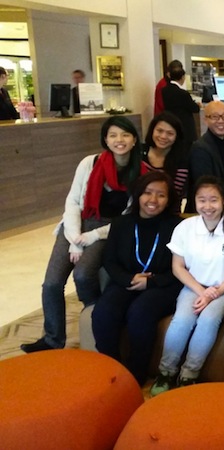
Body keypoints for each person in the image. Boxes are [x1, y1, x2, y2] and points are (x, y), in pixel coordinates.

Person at [21, 116, 146, 353]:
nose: (119, 140)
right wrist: (75, 239)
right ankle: (52, 338)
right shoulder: (90, 163)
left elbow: (128, 218)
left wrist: (92, 236)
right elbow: (73, 201)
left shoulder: (139, 171)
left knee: (83, 275)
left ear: (134, 139)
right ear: (105, 140)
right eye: (113, 135)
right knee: (51, 283)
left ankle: (93, 320)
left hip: (108, 231)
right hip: (76, 224)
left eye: (125, 135)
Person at [150, 176, 224, 394]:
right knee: (182, 320)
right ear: (194, 201)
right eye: (201, 200)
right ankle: (166, 372)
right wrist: (201, 291)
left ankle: (188, 375)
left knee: (208, 319)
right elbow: (178, 267)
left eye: (213, 200)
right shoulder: (185, 227)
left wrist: (214, 293)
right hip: (193, 287)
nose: (207, 206)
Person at [91, 171, 182, 385]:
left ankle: (135, 374)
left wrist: (152, 282)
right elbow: (110, 261)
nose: (153, 200)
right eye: (148, 193)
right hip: (127, 280)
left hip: (162, 284)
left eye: (161, 195)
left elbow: (182, 268)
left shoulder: (177, 227)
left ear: (168, 200)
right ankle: (111, 368)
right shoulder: (121, 223)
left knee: (140, 314)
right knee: (103, 313)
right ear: (138, 195)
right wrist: (128, 278)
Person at [186, 101, 224, 215]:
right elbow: (205, 186)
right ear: (206, 120)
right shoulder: (199, 148)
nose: (221, 121)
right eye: (215, 117)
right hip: (206, 210)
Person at [143, 112, 189, 210]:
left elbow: (173, 196)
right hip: (139, 211)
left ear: (177, 136)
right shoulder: (140, 153)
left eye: (170, 133)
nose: (163, 136)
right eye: (159, 131)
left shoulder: (182, 161)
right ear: (152, 131)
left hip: (169, 213)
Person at [162, 65, 200, 144]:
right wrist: (198, 105)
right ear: (182, 77)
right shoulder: (183, 93)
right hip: (185, 127)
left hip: (172, 124)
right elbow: (195, 108)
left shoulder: (164, 90)